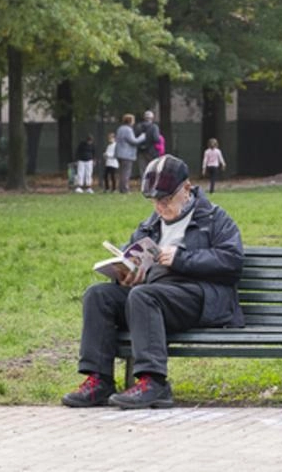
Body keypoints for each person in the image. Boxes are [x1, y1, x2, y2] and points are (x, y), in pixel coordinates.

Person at [62, 155, 245, 409]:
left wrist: (182, 259)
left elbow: (232, 261)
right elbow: (132, 256)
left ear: (187, 189)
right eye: (154, 201)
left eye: (166, 199)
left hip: (198, 297)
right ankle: (99, 380)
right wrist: (126, 274)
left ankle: (154, 382)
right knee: (98, 295)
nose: (160, 207)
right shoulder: (149, 225)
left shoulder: (214, 218)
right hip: (153, 297)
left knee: (144, 296)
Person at [113, 114, 146, 194]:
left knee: (121, 172)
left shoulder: (120, 128)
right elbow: (133, 141)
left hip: (119, 153)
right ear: (130, 121)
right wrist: (142, 137)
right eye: (133, 120)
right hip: (127, 154)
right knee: (126, 172)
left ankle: (121, 188)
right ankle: (125, 189)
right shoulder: (128, 129)